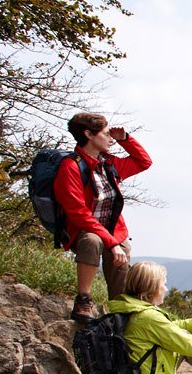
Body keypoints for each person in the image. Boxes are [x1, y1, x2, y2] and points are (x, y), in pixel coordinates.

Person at [56, 112, 153, 321]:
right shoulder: (71, 167)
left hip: (112, 230)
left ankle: (120, 310)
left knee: (123, 248)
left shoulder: (109, 164)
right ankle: (83, 299)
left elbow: (144, 162)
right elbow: (79, 214)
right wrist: (111, 243)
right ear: (89, 134)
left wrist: (126, 139)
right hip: (83, 230)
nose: (111, 139)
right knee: (93, 241)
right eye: (106, 134)